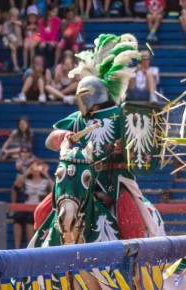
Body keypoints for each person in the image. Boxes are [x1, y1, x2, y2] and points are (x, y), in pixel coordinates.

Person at [42, 34, 166, 242]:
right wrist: (63, 136)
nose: (81, 101)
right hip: (83, 180)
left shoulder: (121, 114)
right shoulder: (78, 119)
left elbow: (140, 146)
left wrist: (125, 146)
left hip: (117, 180)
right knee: (43, 212)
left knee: (132, 223)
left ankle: (135, 265)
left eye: (84, 96)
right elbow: (49, 141)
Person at [11, 160, 53, 249]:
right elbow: (16, 186)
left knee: (30, 222)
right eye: (33, 167)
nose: (35, 169)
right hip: (26, 206)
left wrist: (46, 175)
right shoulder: (26, 180)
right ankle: (17, 247)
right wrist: (26, 173)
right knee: (17, 220)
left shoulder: (45, 181)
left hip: (40, 207)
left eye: (38, 166)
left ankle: (31, 248)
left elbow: (55, 189)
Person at [2, 7, 23, 72]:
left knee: (17, 27)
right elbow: (6, 35)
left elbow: (21, 23)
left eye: (16, 16)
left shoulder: (16, 22)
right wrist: (13, 42)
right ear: (10, 16)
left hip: (15, 38)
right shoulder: (6, 23)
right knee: (13, 48)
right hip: (7, 38)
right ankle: (15, 66)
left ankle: (8, 63)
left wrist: (14, 22)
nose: (14, 17)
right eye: (13, 16)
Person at [22, 6, 42, 71]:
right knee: (25, 46)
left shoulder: (39, 23)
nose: (32, 18)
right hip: (28, 37)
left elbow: (40, 34)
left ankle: (31, 64)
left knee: (31, 46)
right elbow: (24, 35)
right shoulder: (25, 24)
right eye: (30, 17)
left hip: (36, 37)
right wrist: (27, 30)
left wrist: (36, 29)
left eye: (33, 16)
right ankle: (25, 64)